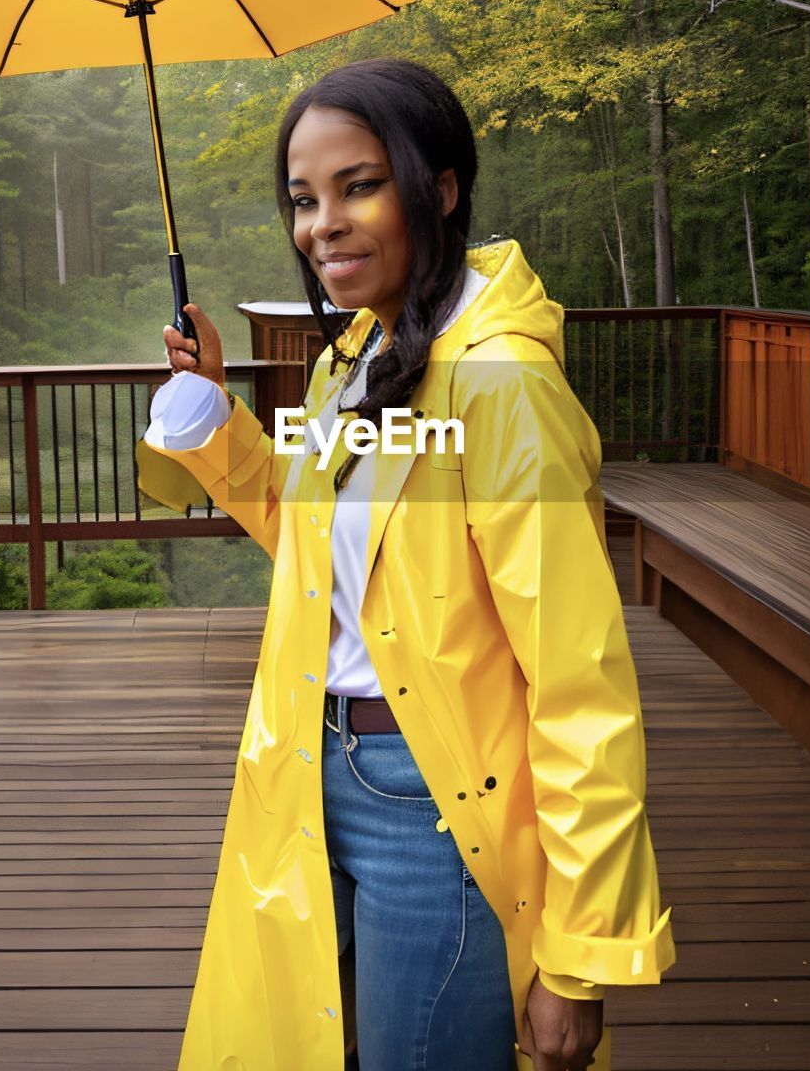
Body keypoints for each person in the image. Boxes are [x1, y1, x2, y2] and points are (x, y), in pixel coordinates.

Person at [135, 57, 676, 1071]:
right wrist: (210, 413)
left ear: (438, 187)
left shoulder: (499, 384)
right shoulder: (358, 359)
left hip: (430, 803)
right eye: (302, 199)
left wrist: (579, 956)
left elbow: (578, 679)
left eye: (358, 185)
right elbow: (314, 546)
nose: (320, 225)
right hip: (308, 763)